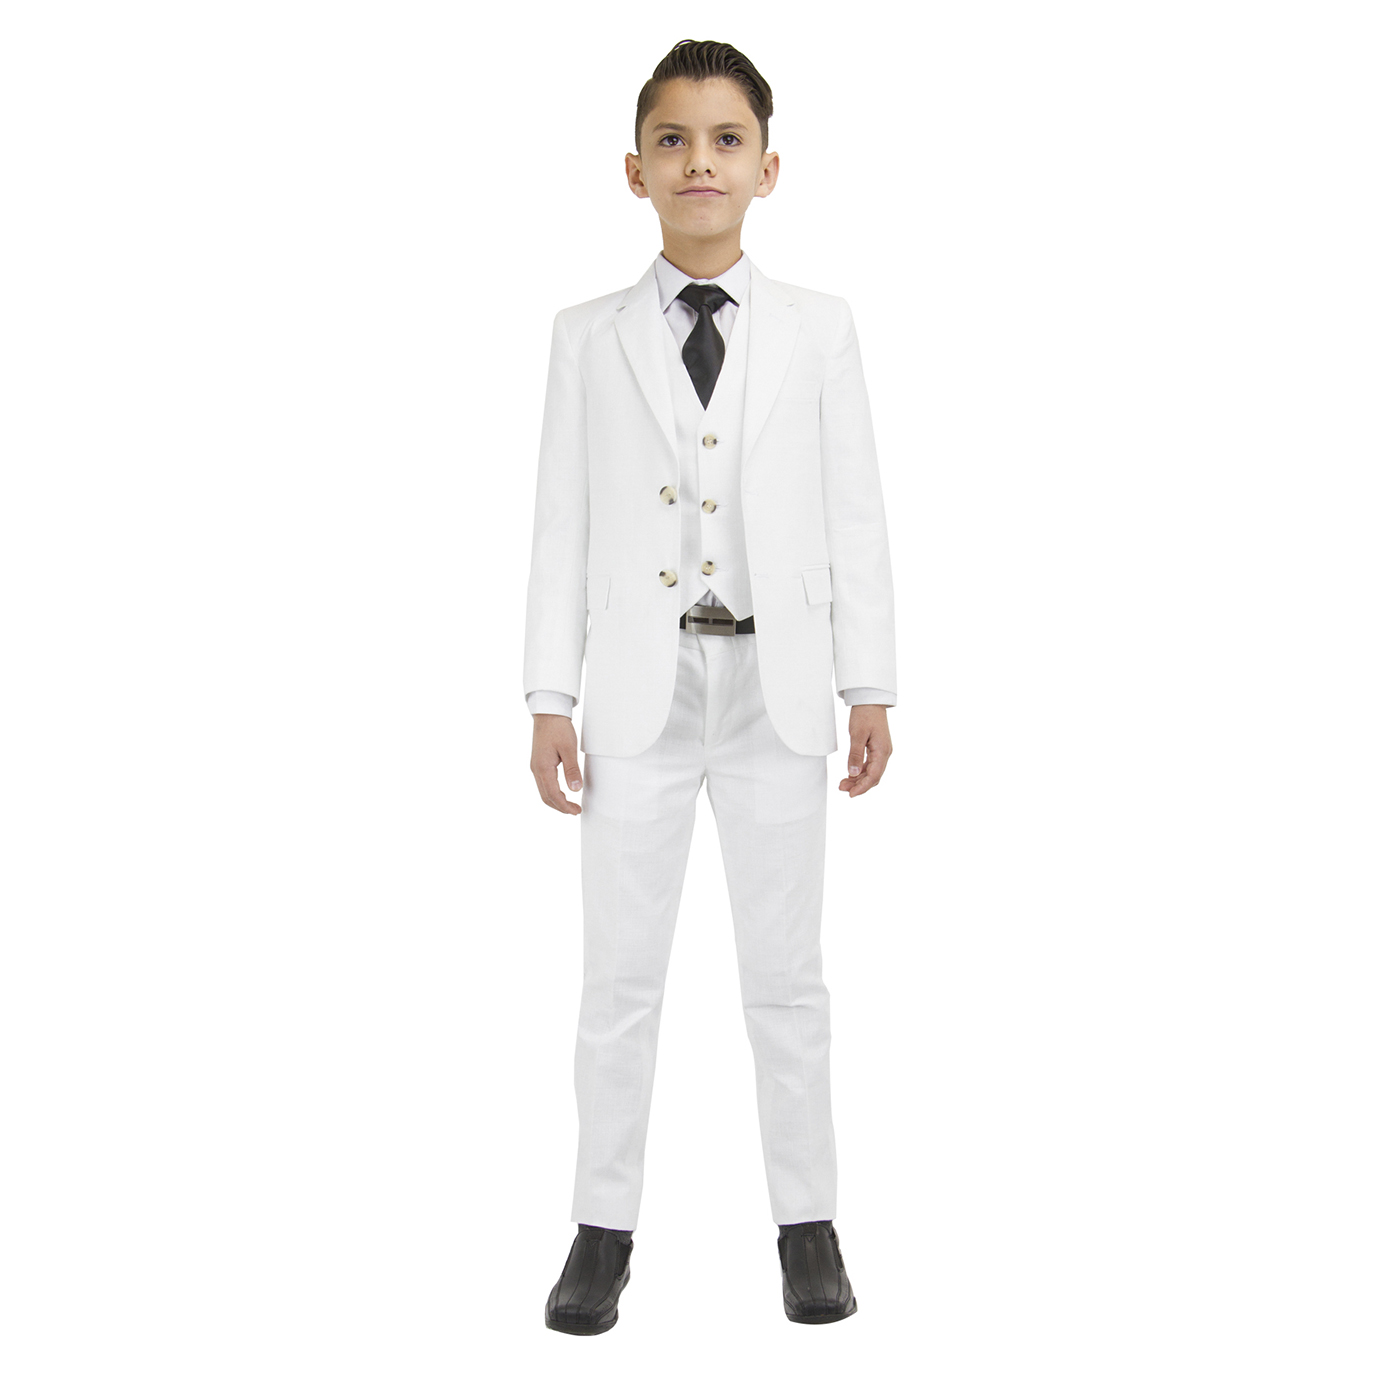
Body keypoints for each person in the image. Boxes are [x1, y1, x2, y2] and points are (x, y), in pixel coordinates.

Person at [523, 38, 896, 1333]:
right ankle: (600, 1229)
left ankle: (809, 1225)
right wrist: (548, 695)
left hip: (776, 688)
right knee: (619, 976)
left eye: (726, 140)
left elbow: (855, 512)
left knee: (787, 975)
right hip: (639, 691)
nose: (701, 162)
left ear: (768, 168)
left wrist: (869, 681)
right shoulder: (585, 337)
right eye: (673, 141)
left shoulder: (820, 329)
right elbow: (560, 521)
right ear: (635, 170)